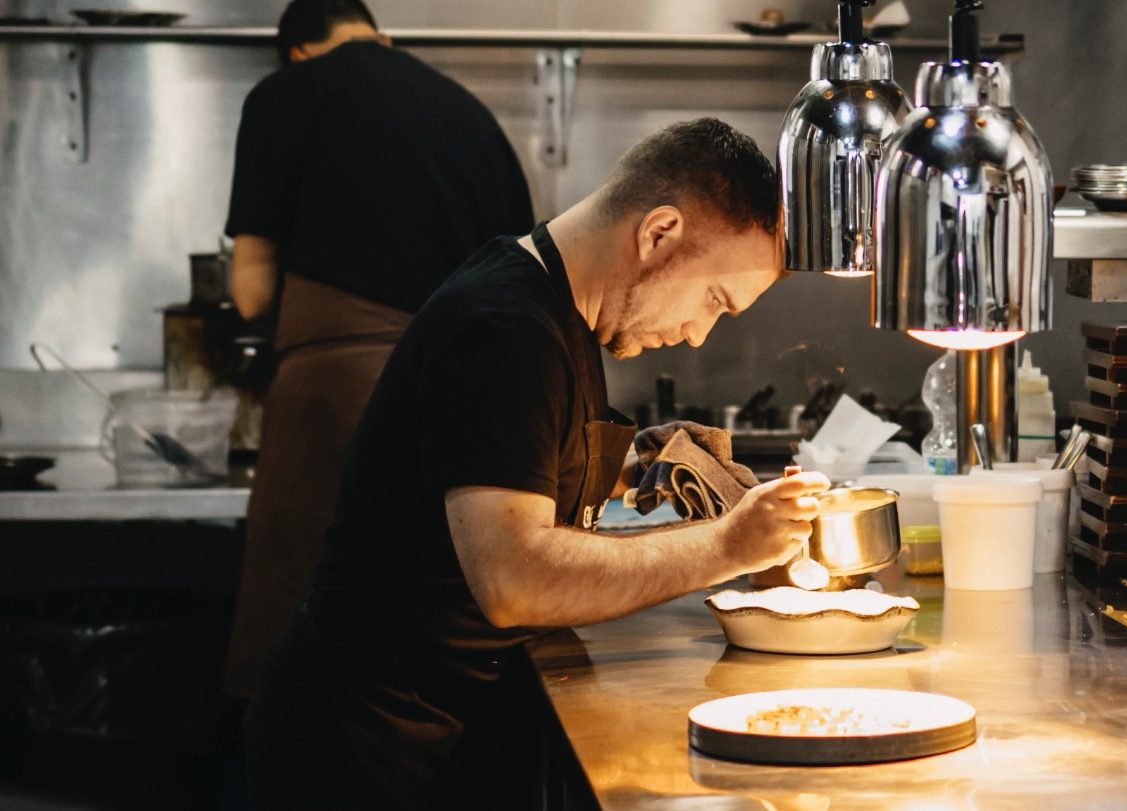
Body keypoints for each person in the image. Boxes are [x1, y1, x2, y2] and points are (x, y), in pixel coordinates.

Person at [244, 118, 831, 810]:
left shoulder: (555, 308)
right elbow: (513, 578)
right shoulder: (504, 329)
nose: (699, 332)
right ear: (658, 233)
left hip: (439, 726)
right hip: (370, 748)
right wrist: (729, 546)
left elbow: (516, 460)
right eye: (713, 299)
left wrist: (644, 460)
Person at [221, 0, 534, 702]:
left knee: (309, 643)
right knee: (422, 635)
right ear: (381, 37)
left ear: (298, 53)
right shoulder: (470, 113)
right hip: (463, 415)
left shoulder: (285, 92)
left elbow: (249, 289)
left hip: (333, 402)